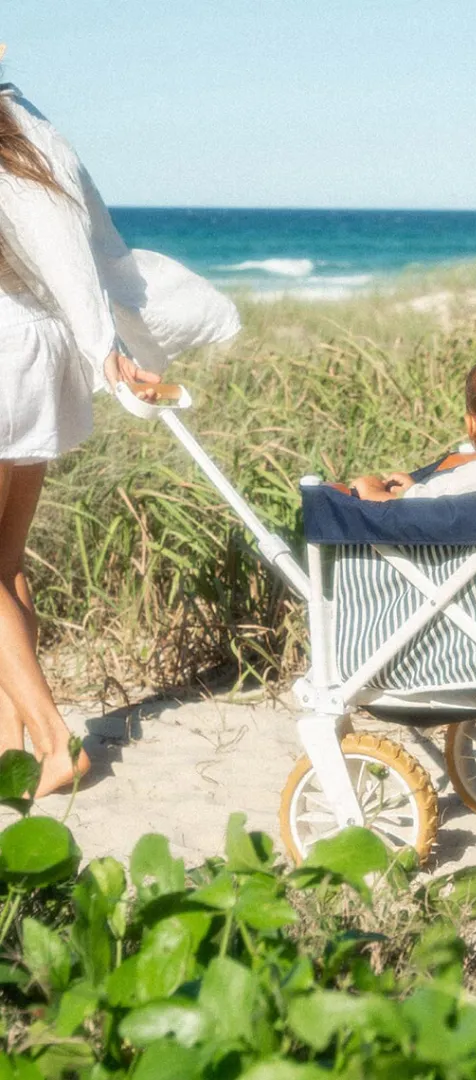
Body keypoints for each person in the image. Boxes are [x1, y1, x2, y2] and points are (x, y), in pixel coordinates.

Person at [0, 49, 239, 795]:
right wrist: (102, 344)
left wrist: (108, 348)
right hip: (41, 352)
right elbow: (84, 249)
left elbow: (60, 252)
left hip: (8, 353)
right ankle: (11, 738)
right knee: (6, 561)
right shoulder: (29, 128)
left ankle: (51, 740)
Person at [350, 351, 476, 501]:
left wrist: (372, 492)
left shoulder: (461, 482)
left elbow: (410, 513)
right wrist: (413, 490)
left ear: (471, 425)